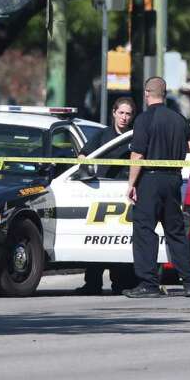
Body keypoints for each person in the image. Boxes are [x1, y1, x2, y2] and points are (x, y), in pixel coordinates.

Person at [123, 77, 190, 298]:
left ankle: (148, 284)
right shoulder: (178, 118)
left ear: (148, 93)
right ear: (164, 94)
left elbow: (137, 154)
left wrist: (131, 184)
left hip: (150, 179)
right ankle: (189, 283)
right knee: (175, 231)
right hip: (173, 179)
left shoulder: (144, 119)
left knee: (144, 230)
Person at [79, 97, 137, 295]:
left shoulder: (134, 137)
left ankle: (121, 283)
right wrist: (85, 169)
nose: (124, 117)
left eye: (128, 114)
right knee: (97, 240)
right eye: (121, 113)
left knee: (121, 241)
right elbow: (83, 154)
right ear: (113, 113)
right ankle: (92, 283)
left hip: (125, 192)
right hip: (102, 192)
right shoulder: (103, 135)